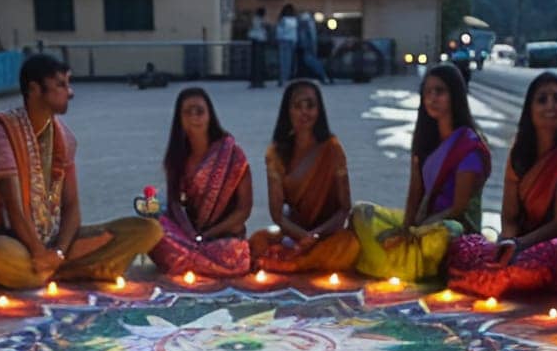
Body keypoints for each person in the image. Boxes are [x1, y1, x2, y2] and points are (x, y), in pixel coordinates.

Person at [0, 52, 160, 291]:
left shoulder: (65, 137)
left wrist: (59, 252)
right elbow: (14, 206)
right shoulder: (1, 130)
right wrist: (39, 252)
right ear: (34, 90)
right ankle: (79, 271)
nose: (70, 92)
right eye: (60, 85)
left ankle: (54, 272)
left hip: (56, 244)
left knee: (148, 230)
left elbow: (72, 206)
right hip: (18, 245)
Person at [449, 70, 557, 298]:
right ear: (530, 108)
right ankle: (496, 279)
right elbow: (509, 216)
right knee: (462, 247)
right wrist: (507, 241)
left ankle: (487, 280)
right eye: (542, 99)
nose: (550, 106)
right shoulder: (520, 151)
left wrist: (519, 245)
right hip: (521, 242)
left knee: (543, 258)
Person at [351, 62, 490, 280]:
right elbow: (415, 191)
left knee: (443, 233)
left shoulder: (468, 146)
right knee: (361, 213)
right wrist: (406, 228)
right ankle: (409, 263)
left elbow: (458, 208)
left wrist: (422, 227)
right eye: (427, 92)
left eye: (440, 91)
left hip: (452, 229)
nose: (432, 98)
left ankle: (401, 264)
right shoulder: (426, 140)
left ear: (455, 94)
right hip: (421, 225)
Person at [249, 79, 360, 276]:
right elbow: (277, 214)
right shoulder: (276, 152)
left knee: (349, 245)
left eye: (310, 105)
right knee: (257, 241)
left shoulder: (332, 148)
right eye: (297, 106)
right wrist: (303, 237)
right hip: (294, 235)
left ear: (319, 110)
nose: (304, 112)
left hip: (327, 235)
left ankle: (295, 265)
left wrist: (316, 236)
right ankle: (303, 262)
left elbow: (344, 207)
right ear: (288, 111)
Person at [148, 86, 253, 279]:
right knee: (150, 227)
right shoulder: (177, 157)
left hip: (224, 238)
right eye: (188, 112)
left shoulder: (232, 155)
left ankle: (195, 258)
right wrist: (190, 233)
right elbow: (174, 203)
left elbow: (243, 210)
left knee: (233, 255)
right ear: (180, 119)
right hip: (190, 235)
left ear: (210, 115)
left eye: (200, 111)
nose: (194, 117)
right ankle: (198, 257)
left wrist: (208, 234)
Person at [294, 7, 331, 84]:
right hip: (307, 47)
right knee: (310, 61)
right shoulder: (309, 24)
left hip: (307, 47)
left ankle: (323, 76)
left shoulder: (306, 24)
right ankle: (323, 77)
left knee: (311, 61)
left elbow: (310, 37)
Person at [275, 4, 298, 87]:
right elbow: (295, 33)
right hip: (291, 41)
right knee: (289, 62)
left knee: (283, 61)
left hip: (283, 41)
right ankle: (285, 79)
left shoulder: (283, 20)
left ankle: (282, 79)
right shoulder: (295, 20)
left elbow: (279, 31)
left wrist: (278, 40)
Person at [248, 7, 269, 89]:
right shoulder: (258, 20)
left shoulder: (255, 19)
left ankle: (255, 81)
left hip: (256, 41)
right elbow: (260, 29)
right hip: (259, 41)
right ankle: (258, 81)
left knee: (256, 62)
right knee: (258, 62)